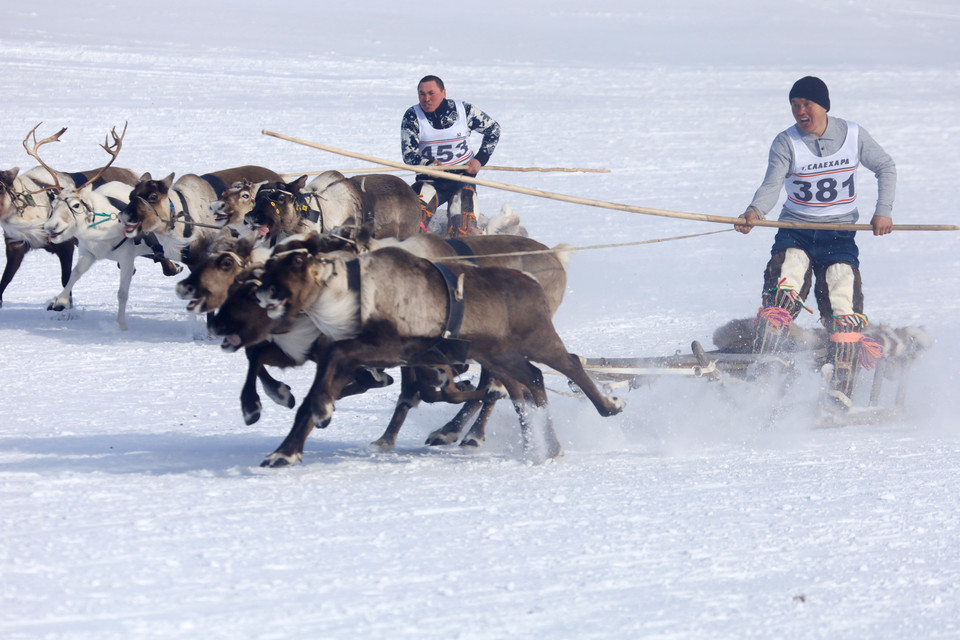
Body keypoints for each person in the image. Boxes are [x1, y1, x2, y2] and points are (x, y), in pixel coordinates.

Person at [735, 76, 896, 408]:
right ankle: (761, 377)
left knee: (844, 310)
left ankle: (840, 392)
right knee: (782, 296)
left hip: (839, 236)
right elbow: (772, 183)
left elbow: (885, 167)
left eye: (807, 104)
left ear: (824, 105)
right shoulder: (786, 142)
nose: (800, 111)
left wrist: (883, 212)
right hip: (796, 231)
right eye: (794, 105)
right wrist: (755, 211)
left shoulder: (852, 134)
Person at [401, 75, 501, 236]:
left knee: (463, 232)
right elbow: (408, 154)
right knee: (411, 226)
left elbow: (493, 129)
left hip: (461, 179)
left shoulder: (464, 110)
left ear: (443, 92)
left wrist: (480, 159)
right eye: (421, 94)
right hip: (429, 180)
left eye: (431, 93)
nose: (426, 98)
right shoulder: (412, 116)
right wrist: (430, 166)